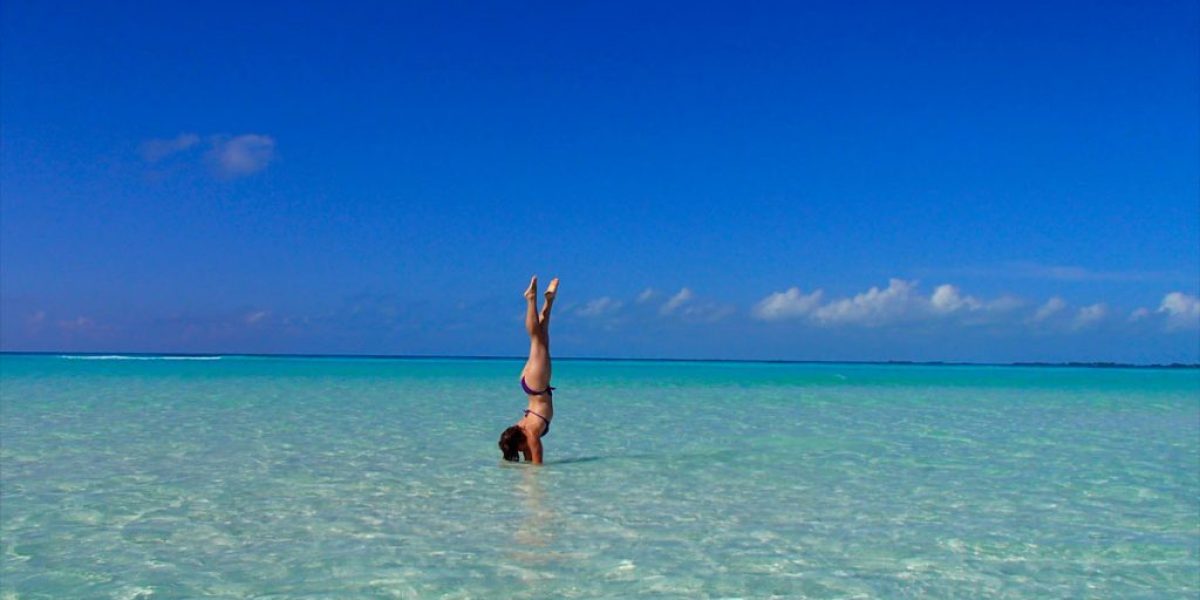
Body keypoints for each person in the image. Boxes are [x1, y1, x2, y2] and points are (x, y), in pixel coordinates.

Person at [499, 276, 558, 464]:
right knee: (543, 334)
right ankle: (549, 300)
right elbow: (529, 465)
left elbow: (537, 467)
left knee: (536, 339)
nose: (522, 451)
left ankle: (530, 298)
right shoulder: (522, 431)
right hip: (532, 384)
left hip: (537, 384)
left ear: (520, 443)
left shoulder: (530, 434)